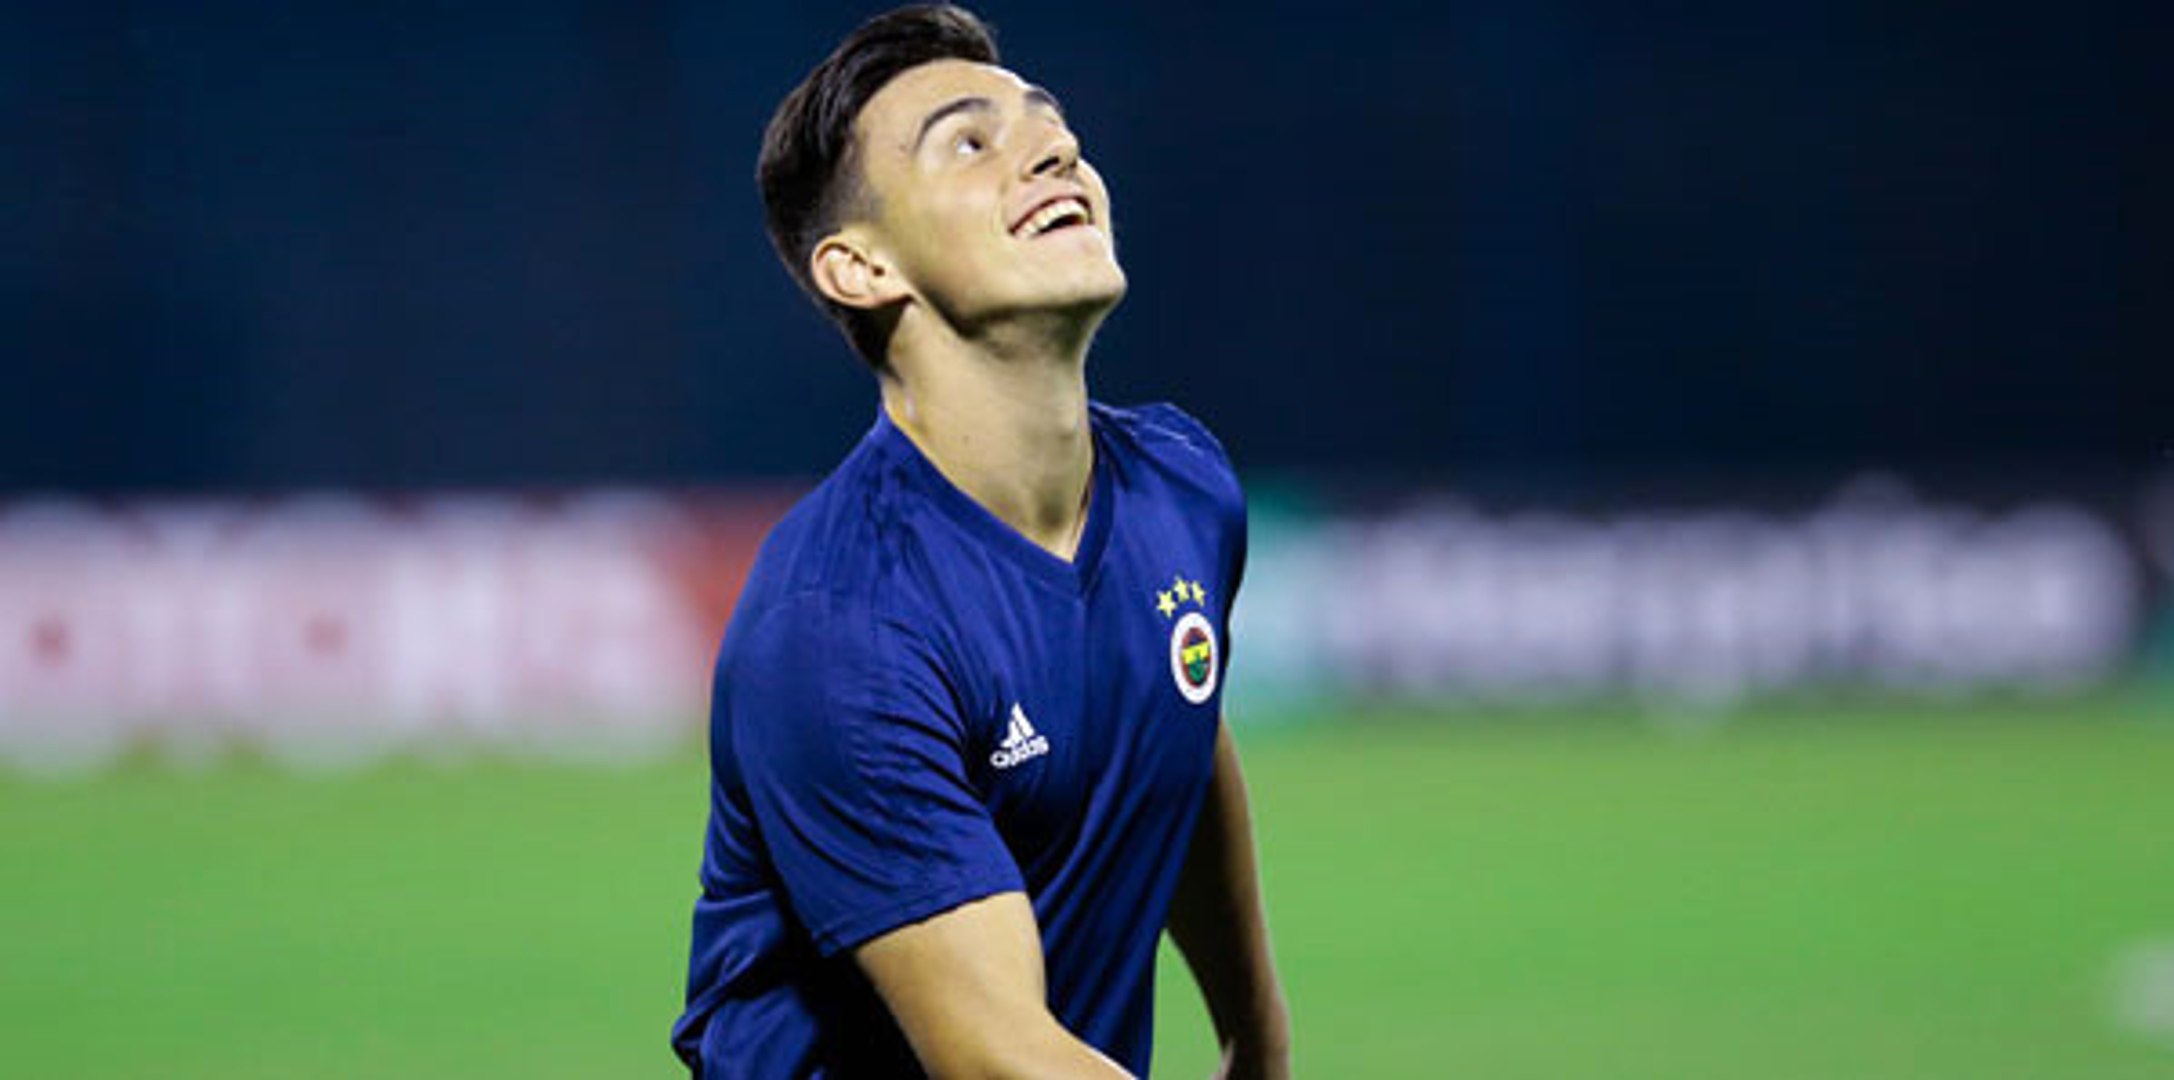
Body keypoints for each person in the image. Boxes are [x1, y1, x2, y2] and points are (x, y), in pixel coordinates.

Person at [673, 6, 1289, 1077]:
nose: (1055, 148)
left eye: (1048, 123)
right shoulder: (840, 632)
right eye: (968, 142)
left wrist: (1255, 1041)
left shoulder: (1180, 485)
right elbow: (997, 1056)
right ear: (860, 268)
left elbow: (1179, 725)